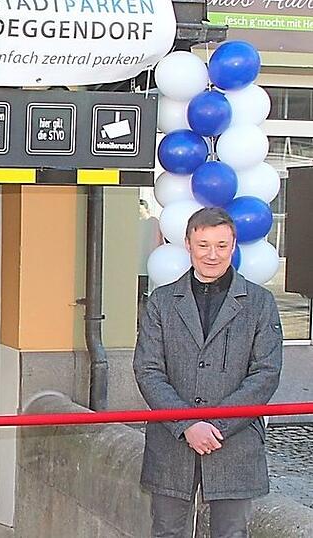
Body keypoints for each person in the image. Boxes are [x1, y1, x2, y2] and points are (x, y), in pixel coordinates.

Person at [133, 207, 282, 538]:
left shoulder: (261, 303)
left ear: (233, 245)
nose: (212, 255)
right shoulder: (161, 302)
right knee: (167, 532)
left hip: (235, 444)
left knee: (231, 533)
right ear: (188, 244)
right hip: (171, 444)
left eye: (221, 245)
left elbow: (266, 374)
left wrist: (215, 425)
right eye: (203, 245)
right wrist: (187, 424)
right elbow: (148, 369)